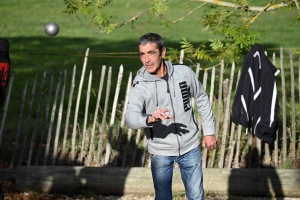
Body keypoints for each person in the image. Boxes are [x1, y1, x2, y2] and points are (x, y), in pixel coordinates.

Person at [125, 32, 217, 200]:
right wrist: (149, 118)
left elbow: (202, 97)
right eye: (142, 54)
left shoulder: (184, 73)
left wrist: (209, 131)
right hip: (160, 151)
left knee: (196, 196)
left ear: (163, 52)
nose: (146, 60)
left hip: (190, 146)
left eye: (151, 53)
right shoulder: (139, 86)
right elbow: (130, 118)